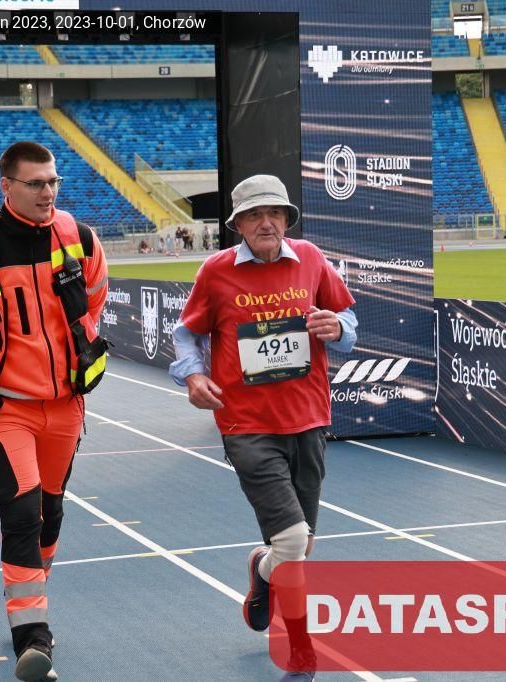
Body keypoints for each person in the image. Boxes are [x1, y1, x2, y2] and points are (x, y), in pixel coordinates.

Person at [0, 141, 109, 682]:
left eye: (53, 181)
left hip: (66, 407)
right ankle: (33, 638)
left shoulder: (79, 238)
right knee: (21, 513)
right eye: (36, 183)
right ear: (6, 187)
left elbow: (95, 299)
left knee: (50, 515)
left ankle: (32, 594)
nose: (47, 192)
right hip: (5, 412)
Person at [170, 175, 358, 682]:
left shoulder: (311, 259)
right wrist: (193, 375)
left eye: (274, 212)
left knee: (298, 545)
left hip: (309, 417)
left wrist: (338, 328)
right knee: (293, 539)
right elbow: (186, 333)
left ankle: (262, 567)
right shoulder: (216, 271)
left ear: (287, 219)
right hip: (246, 424)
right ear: (238, 225)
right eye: (255, 215)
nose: (266, 222)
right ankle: (300, 652)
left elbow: (346, 321)